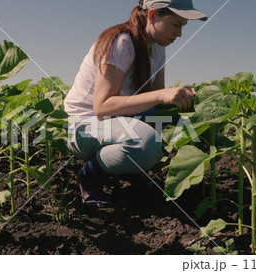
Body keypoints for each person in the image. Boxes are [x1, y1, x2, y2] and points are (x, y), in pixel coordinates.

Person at [64, 0, 207, 208]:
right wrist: (161, 95)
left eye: (183, 26)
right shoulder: (121, 42)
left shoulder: (157, 47)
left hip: (117, 122)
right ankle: (89, 176)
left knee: (180, 124)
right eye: (176, 24)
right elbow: (102, 107)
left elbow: (154, 103)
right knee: (144, 142)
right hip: (85, 126)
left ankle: (131, 168)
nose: (179, 34)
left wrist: (181, 99)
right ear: (152, 16)